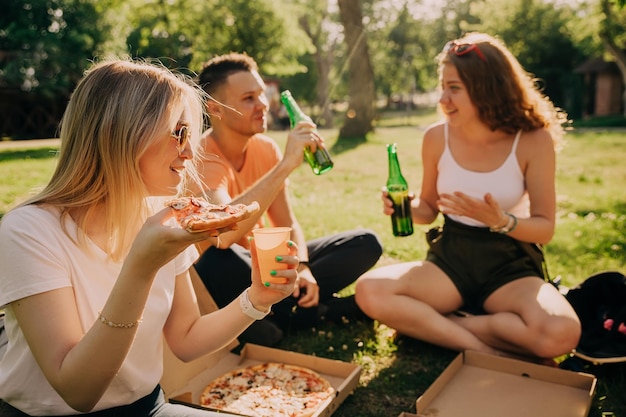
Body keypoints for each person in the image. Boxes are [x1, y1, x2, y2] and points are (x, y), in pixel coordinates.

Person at [0, 59, 299, 416]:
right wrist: (141, 267)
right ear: (120, 133)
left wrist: (257, 299)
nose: (190, 152)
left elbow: (186, 339)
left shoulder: (163, 214)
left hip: (149, 406)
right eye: (178, 133)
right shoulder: (29, 230)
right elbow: (77, 391)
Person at [355, 32, 581, 360]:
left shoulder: (533, 140)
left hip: (510, 263)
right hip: (451, 259)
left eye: (455, 88)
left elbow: (544, 227)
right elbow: (428, 210)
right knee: (370, 291)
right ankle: (481, 349)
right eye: (443, 87)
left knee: (562, 332)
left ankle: (436, 324)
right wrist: (403, 208)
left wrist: (500, 220)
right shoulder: (436, 137)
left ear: (488, 87)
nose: (443, 99)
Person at [191, 53, 383, 346]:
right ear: (215, 109)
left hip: (270, 268)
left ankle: (290, 314)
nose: (264, 105)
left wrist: (303, 266)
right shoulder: (203, 158)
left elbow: (287, 221)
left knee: (365, 242)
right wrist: (285, 166)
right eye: (249, 98)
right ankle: (311, 313)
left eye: (262, 94)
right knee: (219, 260)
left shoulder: (266, 148)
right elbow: (223, 235)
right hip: (233, 278)